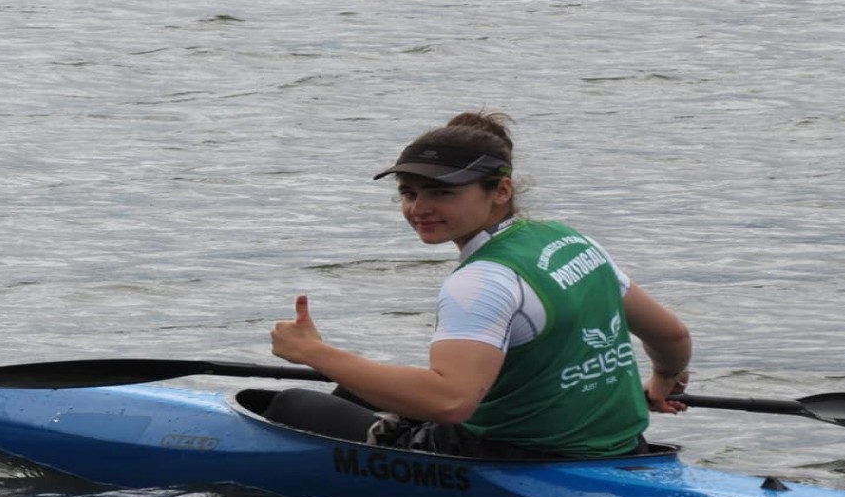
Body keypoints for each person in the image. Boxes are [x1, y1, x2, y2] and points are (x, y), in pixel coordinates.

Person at [269, 112, 691, 459]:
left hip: (516, 459)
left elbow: (451, 402)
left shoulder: (481, 280)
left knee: (289, 405)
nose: (419, 208)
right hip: (622, 446)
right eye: (409, 193)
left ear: (501, 190)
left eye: (441, 193)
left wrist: (312, 352)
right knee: (355, 390)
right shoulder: (569, 241)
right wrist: (663, 379)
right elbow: (671, 336)